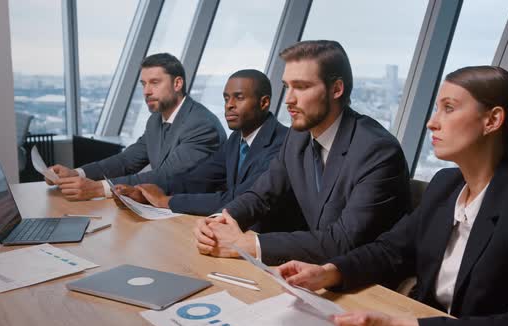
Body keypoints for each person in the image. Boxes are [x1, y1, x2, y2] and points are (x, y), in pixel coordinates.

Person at [277, 66, 508, 326]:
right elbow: (390, 250)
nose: (432, 123)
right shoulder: (445, 185)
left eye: (449, 108)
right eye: (436, 109)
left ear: (492, 120)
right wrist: (329, 272)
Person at [193, 40, 411, 265]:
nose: (289, 99)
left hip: (370, 285)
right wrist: (218, 222)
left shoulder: (377, 150)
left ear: (336, 89)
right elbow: (260, 196)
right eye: (287, 86)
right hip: (313, 271)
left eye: (302, 87)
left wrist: (247, 245)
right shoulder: (298, 137)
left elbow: (343, 241)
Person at [46, 53, 226, 201]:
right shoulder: (156, 120)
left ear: (177, 84)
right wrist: (77, 173)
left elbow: (166, 177)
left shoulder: (201, 125)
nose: (146, 91)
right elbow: (126, 161)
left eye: (155, 83)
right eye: (144, 84)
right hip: (163, 209)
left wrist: (99, 189)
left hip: (197, 218)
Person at [113, 69, 288, 216]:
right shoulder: (236, 140)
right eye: (226, 98)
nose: (229, 105)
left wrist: (166, 201)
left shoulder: (283, 144)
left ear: (264, 102)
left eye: (239, 97)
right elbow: (198, 178)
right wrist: (146, 192)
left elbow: (239, 199)